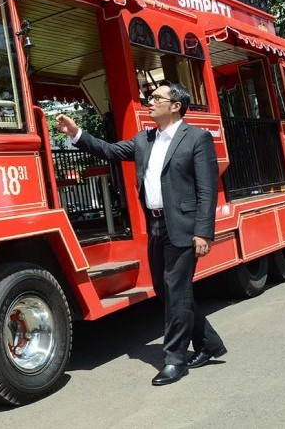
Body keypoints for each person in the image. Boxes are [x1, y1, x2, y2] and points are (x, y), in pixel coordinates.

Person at [56, 80, 226, 386]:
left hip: (185, 228)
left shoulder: (196, 138)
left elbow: (207, 189)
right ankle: (209, 343)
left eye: (157, 98)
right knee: (167, 291)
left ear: (175, 106)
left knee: (176, 292)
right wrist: (76, 134)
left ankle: (175, 359)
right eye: (151, 97)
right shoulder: (144, 140)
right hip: (157, 225)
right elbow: (108, 150)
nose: (150, 101)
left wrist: (204, 232)